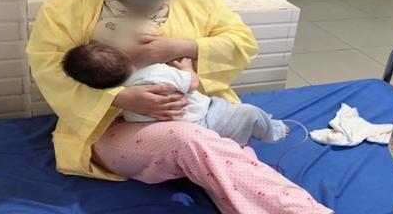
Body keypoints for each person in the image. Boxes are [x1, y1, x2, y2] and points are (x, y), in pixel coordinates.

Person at [26, 0, 332, 214]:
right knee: (192, 142)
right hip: (113, 128)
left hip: (201, 113)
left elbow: (242, 43)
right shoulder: (69, 1)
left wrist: (183, 47)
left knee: (232, 164)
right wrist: (119, 98)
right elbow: (49, 65)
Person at [62, 42, 288, 146]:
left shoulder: (124, 100)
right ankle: (273, 130)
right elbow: (193, 83)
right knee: (249, 112)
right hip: (207, 118)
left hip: (178, 134)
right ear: (126, 56)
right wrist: (187, 67)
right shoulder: (157, 73)